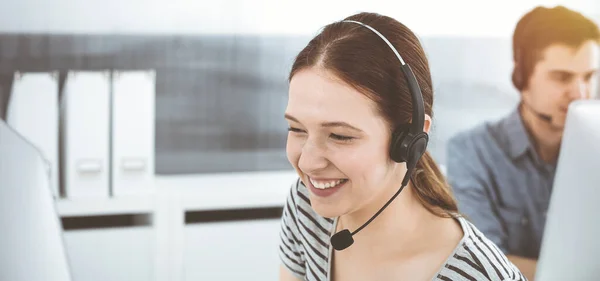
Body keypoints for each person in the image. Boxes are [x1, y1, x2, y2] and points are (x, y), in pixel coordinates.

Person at [278, 12, 526, 281]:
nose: (307, 163)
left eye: (339, 135)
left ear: (409, 139)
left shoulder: (479, 276)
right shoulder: (306, 206)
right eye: (297, 129)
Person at [446, 5, 600, 281]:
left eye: (589, 76)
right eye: (562, 77)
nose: (581, 93)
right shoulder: (471, 152)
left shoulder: (594, 149)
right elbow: (482, 263)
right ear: (522, 75)